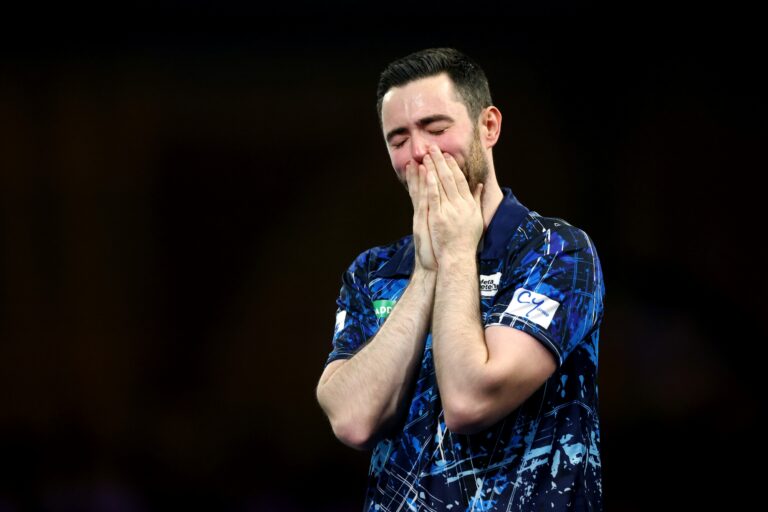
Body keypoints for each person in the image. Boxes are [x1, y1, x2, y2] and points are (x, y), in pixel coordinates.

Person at [316, 47, 605, 511]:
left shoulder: (556, 251)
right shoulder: (372, 271)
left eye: (435, 129)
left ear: (488, 126)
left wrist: (453, 254)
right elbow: (352, 420)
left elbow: (470, 401)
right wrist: (427, 270)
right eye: (398, 139)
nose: (418, 153)